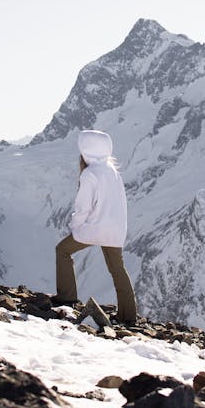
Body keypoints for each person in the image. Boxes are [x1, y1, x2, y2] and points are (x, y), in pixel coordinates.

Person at [54, 128, 137, 326]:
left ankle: (67, 298)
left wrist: (76, 226)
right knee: (118, 269)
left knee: (63, 251)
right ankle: (128, 315)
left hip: (93, 228)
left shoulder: (90, 174)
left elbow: (83, 207)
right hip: (115, 230)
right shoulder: (113, 172)